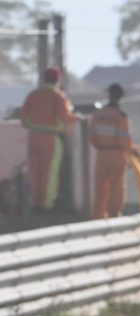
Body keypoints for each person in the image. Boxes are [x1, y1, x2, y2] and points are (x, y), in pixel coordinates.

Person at [19, 66, 78, 213]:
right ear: (57, 79)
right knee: (49, 173)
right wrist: (79, 117)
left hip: (33, 137)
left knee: (34, 171)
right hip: (51, 138)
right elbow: (66, 118)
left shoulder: (32, 95)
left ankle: (33, 203)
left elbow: (24, 121)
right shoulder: (59, 96)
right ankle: (46, 206)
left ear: (44, 78)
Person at [89, 83, 135, 219]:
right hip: (117, 155)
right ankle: (114, 216)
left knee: (100, 187)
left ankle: (98, 216)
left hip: (101, 154)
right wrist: (132, 152)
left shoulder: (97, 115)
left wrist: (101, 147)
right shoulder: (121, 116)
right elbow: (125, 141)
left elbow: (91, 137)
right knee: (116, 187)